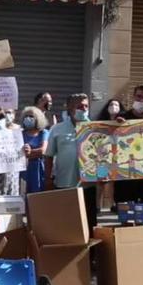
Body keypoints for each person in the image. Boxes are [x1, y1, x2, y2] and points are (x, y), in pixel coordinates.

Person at [44, 93, 98, 228]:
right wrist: (48, 179)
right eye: (80, 106)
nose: (84, 109)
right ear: (69, 108)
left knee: (88, 221)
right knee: (66, 222)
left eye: (86, 106)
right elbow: (49, 156)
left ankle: (90, 249)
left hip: (88, 184)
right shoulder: (57, 129)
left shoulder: (95, 128)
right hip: (64, 183)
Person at [20, 107, 49, 194]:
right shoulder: (20, 133)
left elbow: (43, 151)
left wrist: (29, 152)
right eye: (26, 116)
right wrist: (30, 153)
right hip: (24, 169)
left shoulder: (44, 133)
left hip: (39, 168)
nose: (28, 118)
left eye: (31, 116)